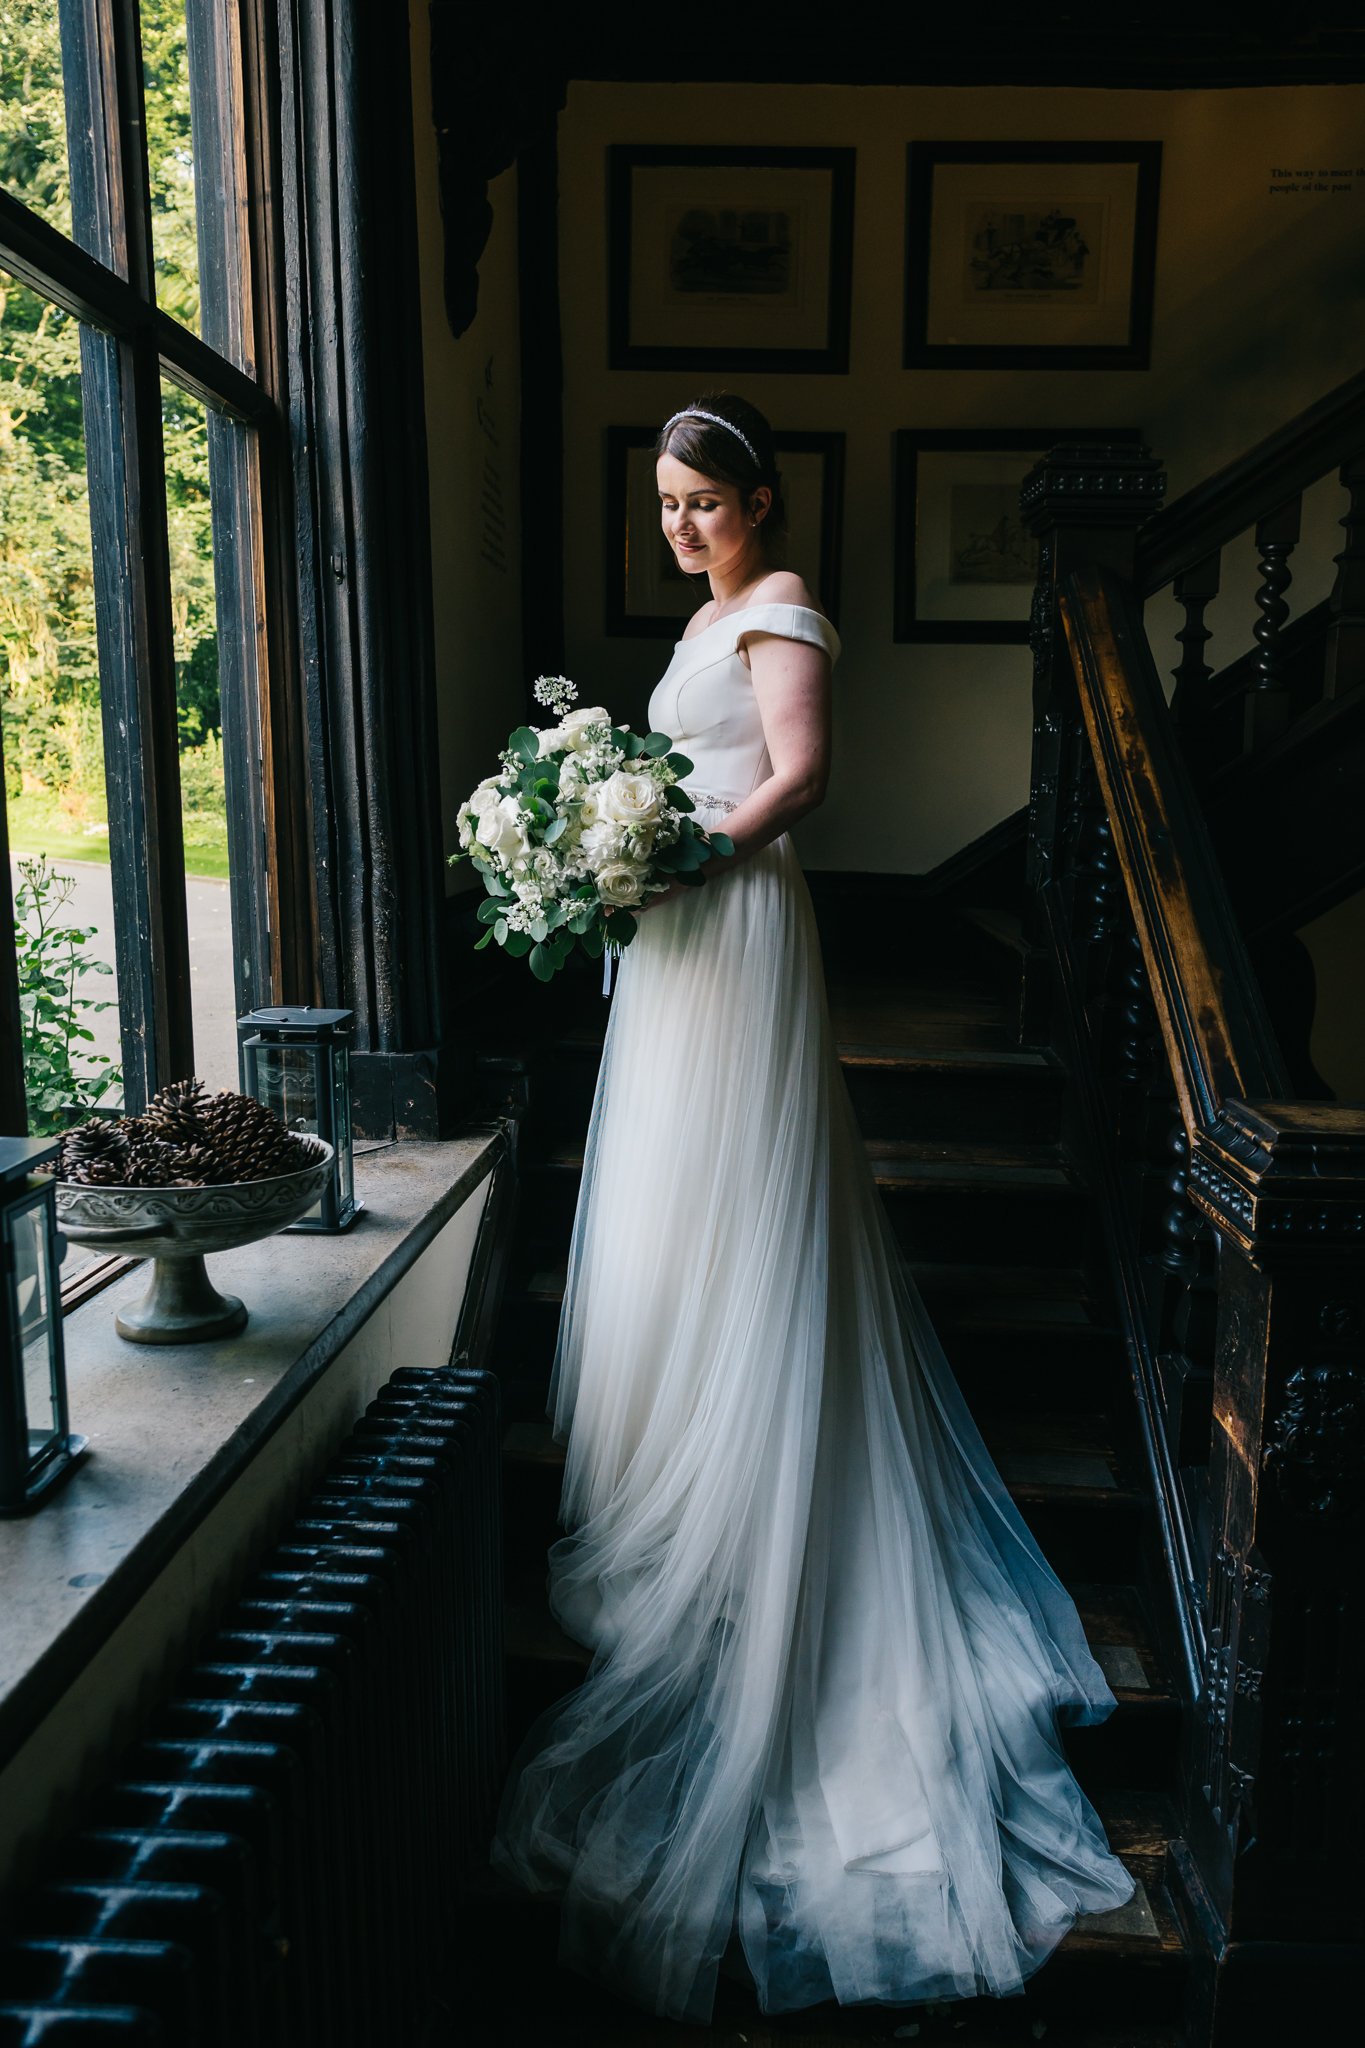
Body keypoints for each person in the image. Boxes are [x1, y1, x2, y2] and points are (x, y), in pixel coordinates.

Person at [490, 393, 1136, 2024]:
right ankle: (665, 1452)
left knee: (740, 1186)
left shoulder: (782, 615)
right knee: (664, 1190)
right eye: (660, 502)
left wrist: (667, 851)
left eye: (702, 500)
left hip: (739, 922)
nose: (680, 525)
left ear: (761, 503)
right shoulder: (704, 612)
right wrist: (602, 853)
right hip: (678, 941)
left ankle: (756, 1463)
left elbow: (798, 781)